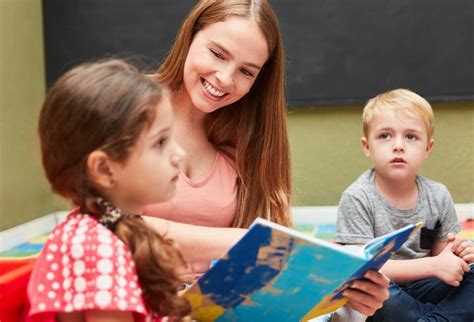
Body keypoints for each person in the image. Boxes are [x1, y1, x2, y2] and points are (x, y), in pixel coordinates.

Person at [142, 0, 389, 317]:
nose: (225, 79)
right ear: (190, 35)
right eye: (217, 54)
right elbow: (109, 226)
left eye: (246, 71)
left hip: (215, 311)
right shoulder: (128, 103)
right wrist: (248, 241)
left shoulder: (247, 137)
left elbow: (271, 274)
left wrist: (347, 292)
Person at [25, 60, 191, 322]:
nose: (179, 154)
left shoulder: (110, 228)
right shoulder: (96, 246)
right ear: (104, 169)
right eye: (160, 142)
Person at [335, 88, 474, 321]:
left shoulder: (437, 195)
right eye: (385, 136)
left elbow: (443, 259)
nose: (398, 145)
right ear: (367, 146)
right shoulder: (357, 197)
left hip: (426, 286)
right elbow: (361, 267)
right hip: (384, 289)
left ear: (427, 148)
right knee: (363, 290)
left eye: (410, 137)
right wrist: (433, 266)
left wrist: (459, 255)